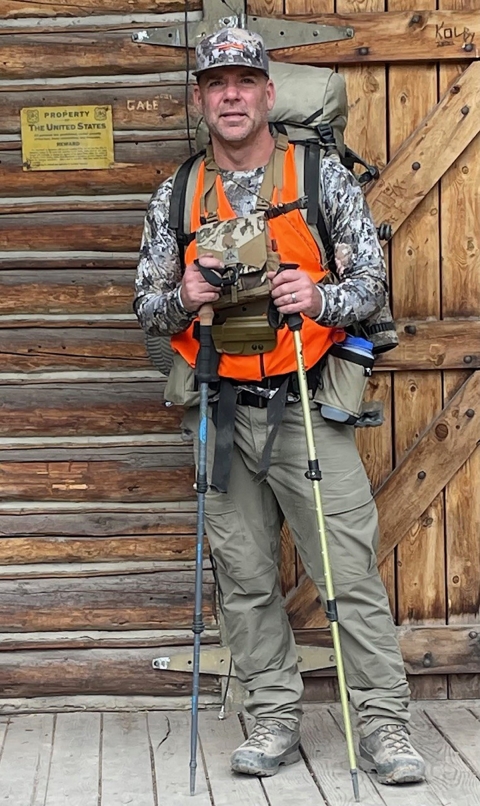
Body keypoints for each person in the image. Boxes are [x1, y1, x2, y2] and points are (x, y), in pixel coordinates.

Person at [134, 26, 426, 785]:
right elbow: (146, 307)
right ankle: (272, 717)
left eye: (243, 80)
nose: (230, 94)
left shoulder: (320, 177)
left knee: (348, 572)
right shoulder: (178, 193)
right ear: (202, 99)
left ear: (266, 93)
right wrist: (183, 296)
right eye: (215, 82)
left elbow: (372, 281)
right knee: (244, 576)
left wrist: (319, 295)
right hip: (221, 410)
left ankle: (385, 727)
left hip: (305, 404)